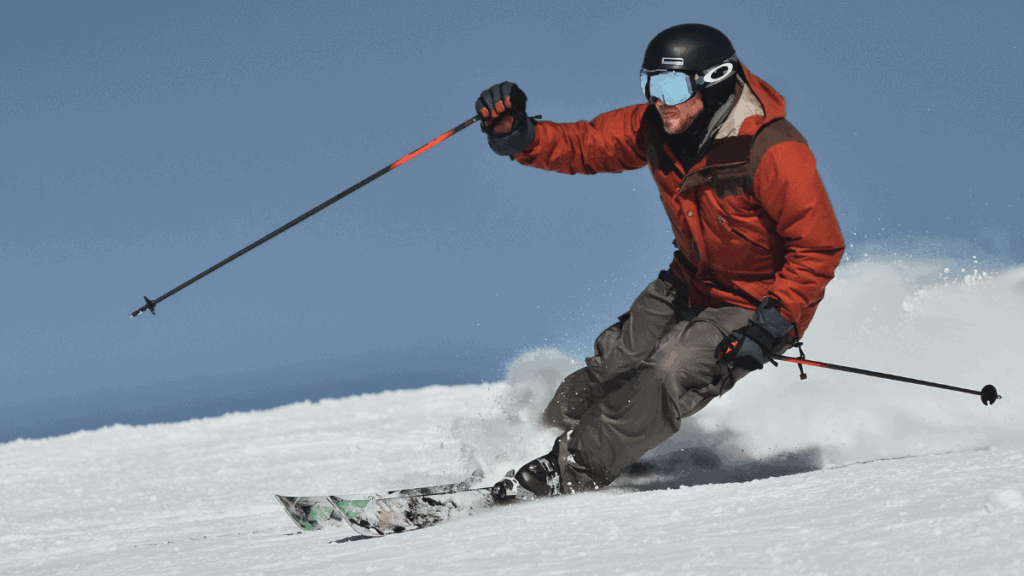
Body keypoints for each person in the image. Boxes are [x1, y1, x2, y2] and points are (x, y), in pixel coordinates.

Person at [476, 24, 845, 497]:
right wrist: (518, 136)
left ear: (714, 80)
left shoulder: (772, 149)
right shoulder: (659, 127)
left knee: (667, 370)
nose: (659, 101)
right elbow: (586, 145)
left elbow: (818, 246)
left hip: (755, 305)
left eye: (671, 87)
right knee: (610, 364)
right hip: (688, 282)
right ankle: (526, 446)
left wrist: (774, 323)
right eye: (649, 85)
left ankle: (568, 470)